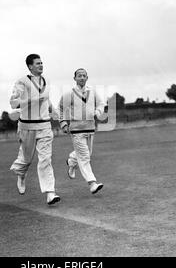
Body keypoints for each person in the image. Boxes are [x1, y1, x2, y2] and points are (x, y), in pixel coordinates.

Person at [9, 54, 60, 205]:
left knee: (45, 159)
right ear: (30, 66)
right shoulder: (22, 82)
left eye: (42, 63)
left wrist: (55, 112)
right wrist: (32, 100)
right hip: (27, 126)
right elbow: (13, 103)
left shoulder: (46, 80)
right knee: (26, 159)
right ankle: (21, 175)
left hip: (44, 125)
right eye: (37, 63)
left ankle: (50, 193)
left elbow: (46, 99)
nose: (41, 65)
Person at [58, 68, 105, 194]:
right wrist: (63, 123)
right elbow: (61, 108)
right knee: (84, 157)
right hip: (76, 130)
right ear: (75, 78)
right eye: (79, 76)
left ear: (87, 78)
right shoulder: (69, 94)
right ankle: (92, 184)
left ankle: (71, 162)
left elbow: (101, 104)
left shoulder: (93, 92)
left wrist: (98, 112)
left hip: (90, 128)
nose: (82, 77)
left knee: (87, 153)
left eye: (84, 75)